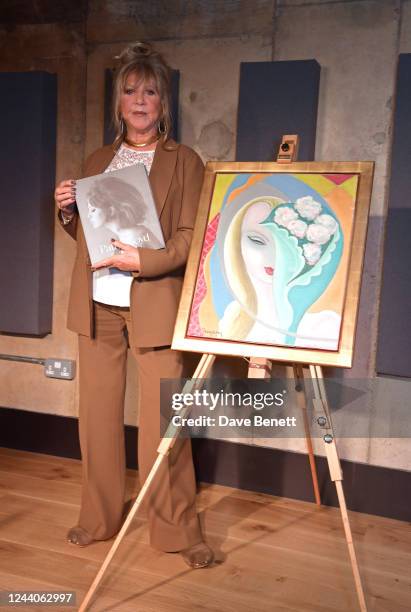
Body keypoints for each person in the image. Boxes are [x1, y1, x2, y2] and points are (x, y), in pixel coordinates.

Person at [54, 41, 214, 569]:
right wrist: (69, 213)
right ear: (118, 103)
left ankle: (175, 532)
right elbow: (89, 241)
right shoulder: (98, 160)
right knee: (96, 420)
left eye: (149, 91)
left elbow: (192, 237)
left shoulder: (185, 161)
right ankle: (98, 518)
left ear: (162, 103)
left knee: (164, 424)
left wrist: (143, 261)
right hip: (98, 303)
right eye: (130, 91)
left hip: (153, 300)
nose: (139, 100)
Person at [208, 192, 343, 350]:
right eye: (257, 240)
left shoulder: (323, 327)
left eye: (283, 244)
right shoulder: (232, 317)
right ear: (236, 244)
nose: (273, 255)